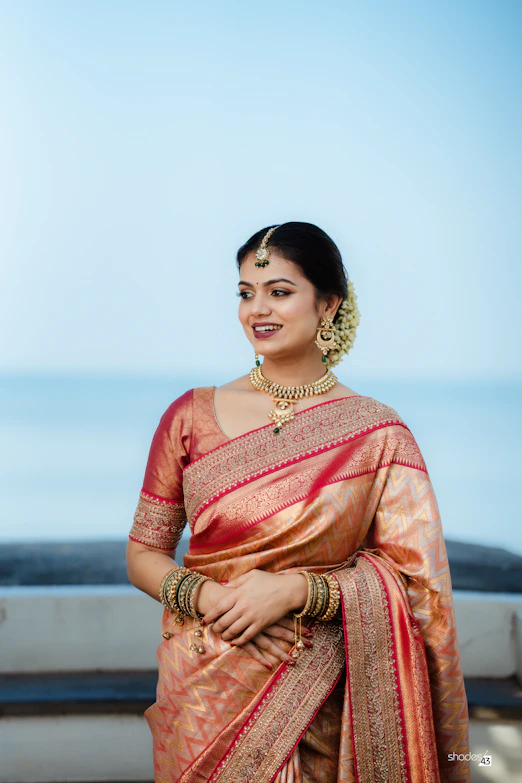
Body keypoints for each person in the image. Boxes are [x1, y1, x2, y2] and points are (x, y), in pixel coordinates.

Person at [126, 222, 470, 783]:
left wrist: (295, 592)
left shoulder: (378, 436)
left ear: (328, 304)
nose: (257, 309)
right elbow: (143, 554)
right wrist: (217, 600)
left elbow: (418, 588)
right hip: (204, 690)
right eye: (246, 293)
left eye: (279, 291)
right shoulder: (188, 417)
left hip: (324, 696)